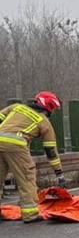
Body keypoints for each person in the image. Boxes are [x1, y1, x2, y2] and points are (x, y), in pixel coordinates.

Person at [0, 92, 65, 223]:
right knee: (27, 177)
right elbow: (51, 151)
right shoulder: (43, 122)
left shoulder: (16, 107)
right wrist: (59, 173)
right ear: (49, 108)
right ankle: (31, 214)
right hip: (16, 145)